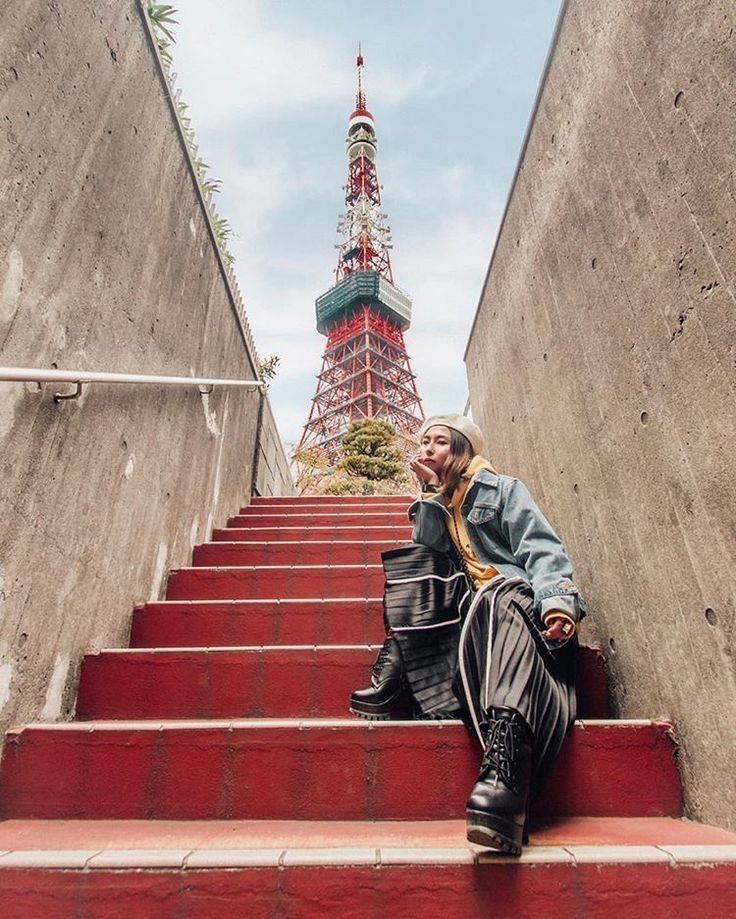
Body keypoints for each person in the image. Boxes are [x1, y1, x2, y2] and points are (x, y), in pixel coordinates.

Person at [349, 414, 585, 854]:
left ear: (462, 450)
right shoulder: (440, 502)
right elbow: (429, 553)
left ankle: (506, 773)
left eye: (440, 440)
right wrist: (428, 494)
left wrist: (558, 604)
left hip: (520, 610)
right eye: (424, 441)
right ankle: (396, 670)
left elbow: (542, 549)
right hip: (473, 619)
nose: (428, 447)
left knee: (495, 592)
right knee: (419, 563)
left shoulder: (503, 490)